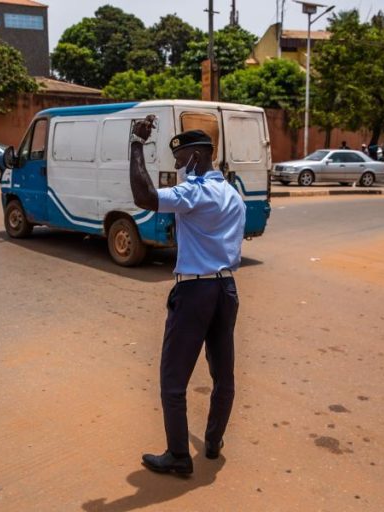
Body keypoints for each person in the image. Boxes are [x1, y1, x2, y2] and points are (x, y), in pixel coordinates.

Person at [129, 115, 246, 476]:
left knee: (173, 380)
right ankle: (213, 441)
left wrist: (136, 144)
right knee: (222, 373)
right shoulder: (231, 193)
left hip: (195, 290)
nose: (177, 167)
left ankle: (178, 456)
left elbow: (144, 196)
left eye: (180, 160)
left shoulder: (195, 192)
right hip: (226, 288)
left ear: (195, 158)